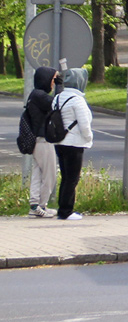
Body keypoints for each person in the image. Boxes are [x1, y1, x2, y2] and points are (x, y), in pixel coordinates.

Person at [53, 67, 94, 222]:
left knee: (65, 177)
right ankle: (66, 211)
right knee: (72, 178)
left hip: (60, 141)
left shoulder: (58, 97)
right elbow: (84, 124)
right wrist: (89, 138)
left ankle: (63, 209)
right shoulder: (77, 100)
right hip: (74, 143)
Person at [22, 66, 62, 218]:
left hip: (37, 140)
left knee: (38, 173)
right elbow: (57, 104)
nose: (53, 83)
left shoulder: (35, 94)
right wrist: (60, 86)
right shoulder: (40, 96)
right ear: (45, 79)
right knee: (49, 174)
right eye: (52, 79)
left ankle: (35, 206)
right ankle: (40, 205)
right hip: (43, 140)